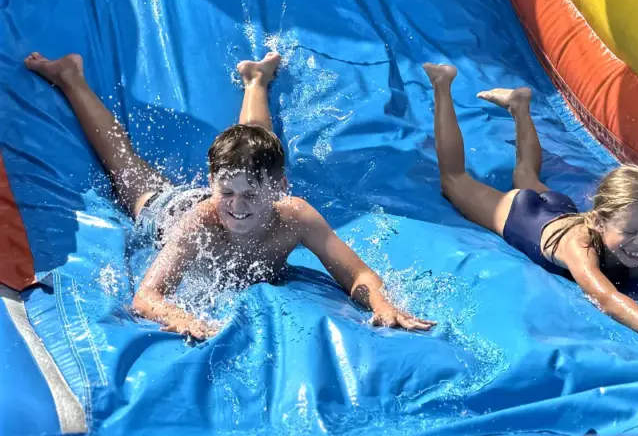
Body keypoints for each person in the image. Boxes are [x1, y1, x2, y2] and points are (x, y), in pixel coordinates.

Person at [25, 51, 436, 340]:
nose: (237, 209)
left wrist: (380, 302)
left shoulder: (295, 216)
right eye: (228, 193)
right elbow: (148, 296)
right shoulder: (200, 223)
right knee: (125, 167)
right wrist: (179, 317)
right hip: (169, 209)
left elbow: (358, 274)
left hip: (244, 182)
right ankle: (70, 76)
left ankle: (256, 78)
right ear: (212, 182)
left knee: (258, 149)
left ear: (281, 190)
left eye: (250, 197)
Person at [423, 63, 638, 362]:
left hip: (559, 208)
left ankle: (520, 106)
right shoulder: (579, 246)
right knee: (455, 180)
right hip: (523, 215)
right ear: (598, 220)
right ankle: (442, 84)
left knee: (527, 175)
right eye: (631, 231)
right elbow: (606, 297)